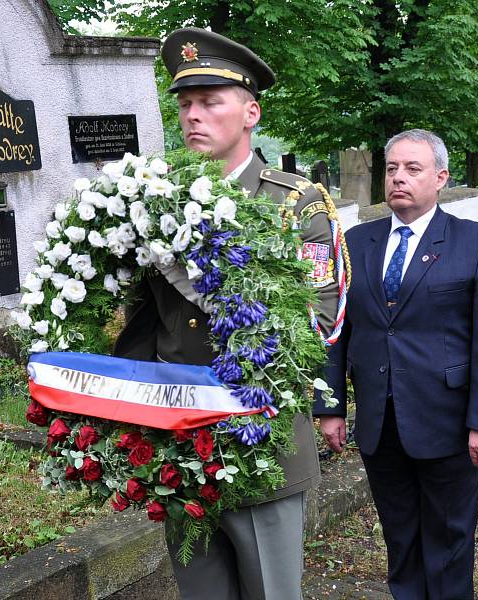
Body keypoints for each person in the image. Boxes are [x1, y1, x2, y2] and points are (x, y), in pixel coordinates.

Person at [113, 28, 343, 600]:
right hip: (179, 440)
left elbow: (319, 320)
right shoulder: (154, 204)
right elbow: (144, 325)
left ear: (250, 113)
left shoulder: (295, 204)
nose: (193, 115)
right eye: (186, 103)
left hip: (261, 442)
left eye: (211, 101)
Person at [314, 129, 478, 599]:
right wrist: (329, 406)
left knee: (448, 541)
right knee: (400, 538)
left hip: (447, 421)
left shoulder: (477, 242)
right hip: (380, 422)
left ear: (441, 178)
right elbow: (334, 327)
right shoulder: (356, 242)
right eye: (391, 169)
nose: (398, 178)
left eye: (412, 169)